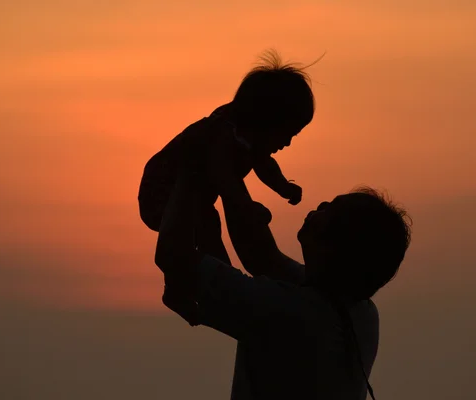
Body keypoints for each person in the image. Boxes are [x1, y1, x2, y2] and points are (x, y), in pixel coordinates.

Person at [153, 147, 412, 399]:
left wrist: (189, 175)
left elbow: (173, 257)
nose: (321, 204)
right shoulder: (360, 312)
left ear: (335, 246)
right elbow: (263, 258)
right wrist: (228, 182)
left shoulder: (287, 313)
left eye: (331, 209)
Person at [140, 50, 316, 316]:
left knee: (205, 225)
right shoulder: (222, 134)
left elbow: (264, 165)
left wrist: (283, 186)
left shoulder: (249, 139)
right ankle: (194, 286)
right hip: (160, 190)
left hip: (193, 198)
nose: (288, 143)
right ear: (266, 119)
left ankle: (211, 282)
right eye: (287, 133)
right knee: (206, 227)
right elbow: (226, 181)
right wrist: (246, 209)